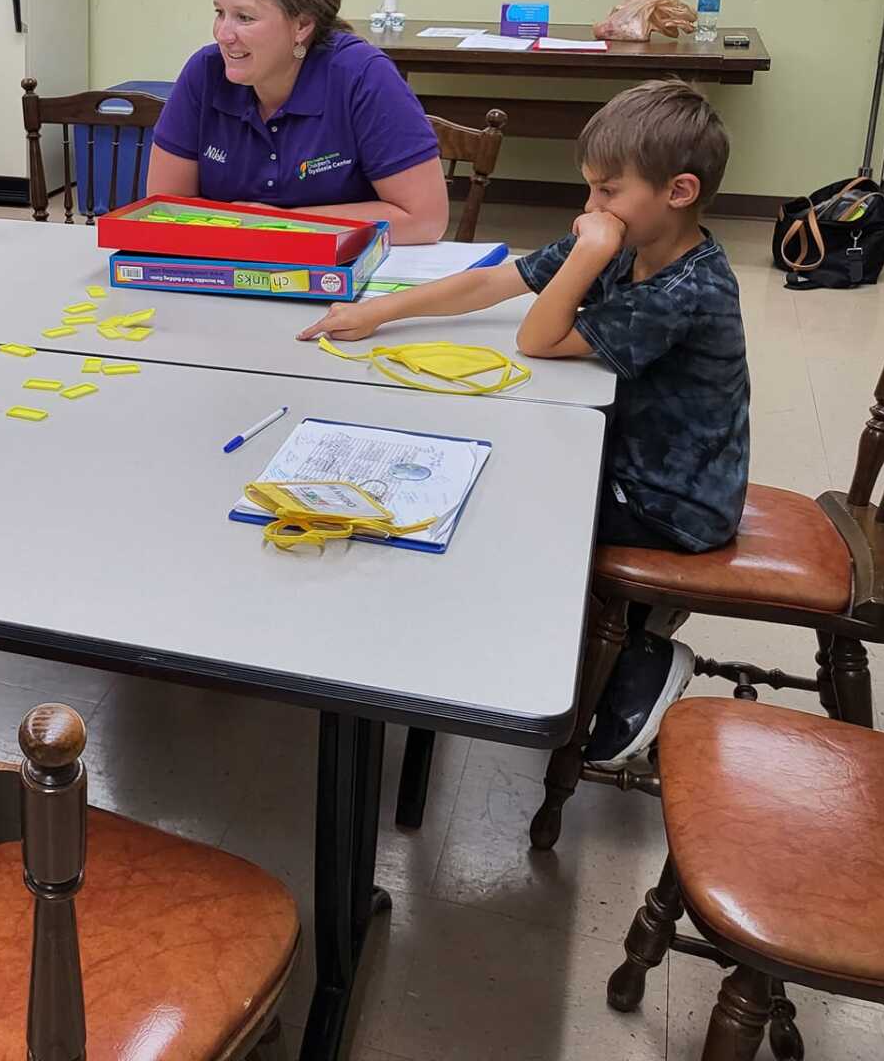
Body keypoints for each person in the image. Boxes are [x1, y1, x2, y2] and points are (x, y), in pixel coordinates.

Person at [299, 79, 749, 764]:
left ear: (678, 192)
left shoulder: (686, 286)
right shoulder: (635, 239)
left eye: (607, 191)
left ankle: (638, 651)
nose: (589, 208)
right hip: (633, 457)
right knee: (499, 466)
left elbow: (537, 337)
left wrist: (589, 253)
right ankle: (618, 627)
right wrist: (378, 312)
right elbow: (494, 281)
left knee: (498, 500)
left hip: (671, 503)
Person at [146, 0, 449, 244]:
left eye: (244, 18)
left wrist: (278, 224)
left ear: (302, 25)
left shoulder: (362, 75)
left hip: (348, 275)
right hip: (227, 269)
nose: (224, 34)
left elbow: (425, 220)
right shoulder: (205, 73)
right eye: (220, 13)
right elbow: (164, 208)